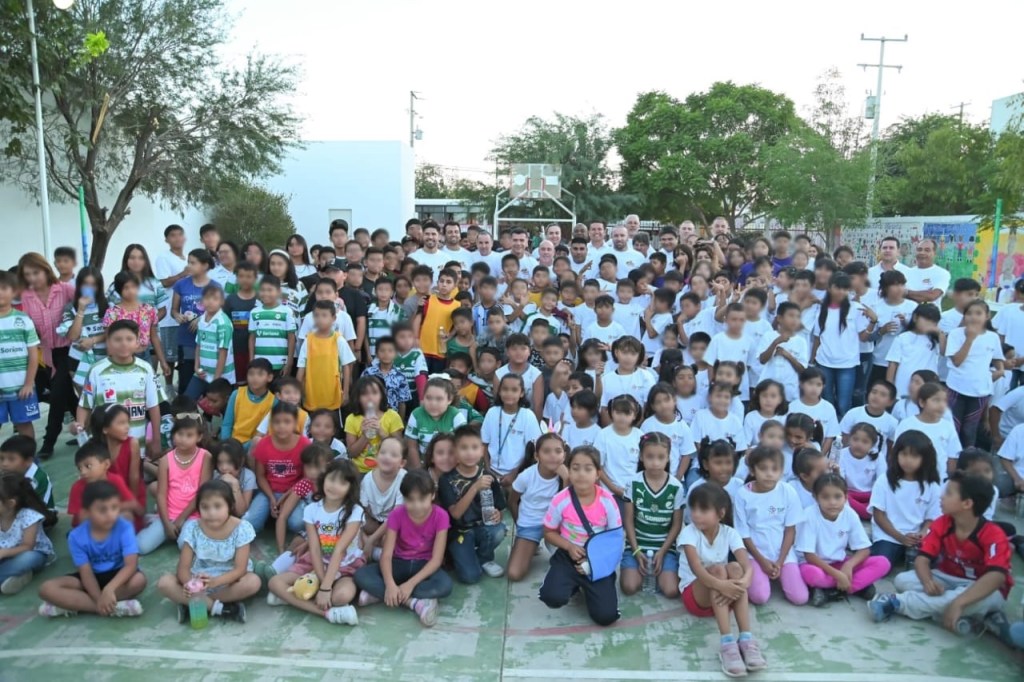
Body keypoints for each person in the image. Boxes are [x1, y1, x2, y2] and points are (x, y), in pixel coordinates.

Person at [869, 471, 1012, 636]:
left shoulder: (993, 534)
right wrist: (928, 580)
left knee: (979, 598)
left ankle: (896, 603)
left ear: (966, 503)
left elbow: (997, 577)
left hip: (984, 587)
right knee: (903, 580)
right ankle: (975, 616)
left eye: (949, 493)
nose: (942, 496)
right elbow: (922, 559)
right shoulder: (943, 523)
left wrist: (959, 602)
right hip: (948, 579)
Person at [678, 482, 765, 677]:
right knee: (717, 569)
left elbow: (746, 566)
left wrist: (744, 582)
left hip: (724, 597)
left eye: (704, 509)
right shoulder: (688, 533)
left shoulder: (730, 533)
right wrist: (723, 585)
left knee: (735, 568)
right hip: (697, 598)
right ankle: (727, 644)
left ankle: (746, 639)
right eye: (694, 509)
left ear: (721, 513)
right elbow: (698, 570)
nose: (696, 514)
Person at [267, 460, 363, 626]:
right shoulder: (311, 510)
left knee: (341, 597)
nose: (334, 486)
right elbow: (315, 549)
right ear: (323, 479)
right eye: (332, 479)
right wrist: (322, 580)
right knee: (275, 583)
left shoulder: (355, 511)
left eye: (342, 482)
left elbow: (340, 550)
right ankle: (327, 613)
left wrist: (325, 588)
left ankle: (295, 597)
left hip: (346, 565)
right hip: (316, 564)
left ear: (350, 488)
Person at [353, 469, 453, 627]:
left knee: (445, 586)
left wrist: (410, 584)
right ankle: (414, 603)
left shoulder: (441, 516)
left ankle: (381, 595)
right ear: (403, 498)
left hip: (424, 565)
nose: (416, 505)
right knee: (361, 575)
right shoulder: (397, 514)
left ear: (432, 496)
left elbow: (436, 560)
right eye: (410, 500)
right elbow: (386, 555)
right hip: (398, 562)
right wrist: (391, 584)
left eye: (422, 499)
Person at [38, 480, 147, 618]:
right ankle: (113, 608)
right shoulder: (76, 536)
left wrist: (109, 589)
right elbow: (86, 573)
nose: (110, 514)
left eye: (114, 507)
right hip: (89, 580)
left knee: (139, 580)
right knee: (47, 589)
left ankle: (75, 605)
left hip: (118, 577)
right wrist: (98, 599)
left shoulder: (124, 527)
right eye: (102, 510)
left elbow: (131, 565)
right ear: (86, 513)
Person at [538, 445, 621, 626]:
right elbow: (548, 532)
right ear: (569, 471)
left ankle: (595, 585)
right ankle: (573, 584)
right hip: (569, 554)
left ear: (598, 473)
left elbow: (615, 541)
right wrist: (568, 546)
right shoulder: (560, 499)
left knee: (606, 617)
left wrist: (593, 564)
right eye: (575, 468)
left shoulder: (607, 501)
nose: (581, 474)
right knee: (552, 597)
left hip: (598, 558)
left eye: (588, 468)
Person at [157, 480, 259, 624]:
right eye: (205, 507)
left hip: (228, 581)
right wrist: (189, 584)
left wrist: (214, 582)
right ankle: (221, 609)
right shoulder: (193, 527)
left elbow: (240, 569)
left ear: (229, 506)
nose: (211, 513)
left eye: (217, 506)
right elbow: (183, 567)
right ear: (198, 509)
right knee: (164, 583)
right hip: (199, 580)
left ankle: (193, 604)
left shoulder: (241, 528)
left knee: (253, 582)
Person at [798, 473, 890, 607]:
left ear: (846, 497)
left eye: (837, 496)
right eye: (825, 497)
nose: (832, 502)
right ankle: (856, 587)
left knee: (882, 563)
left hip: (840, 562)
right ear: (815, 498)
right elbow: (809, 556)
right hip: (817, 564)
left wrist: (849, 566)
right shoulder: (809, 515)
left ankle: (832, 591)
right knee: (811, 574)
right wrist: (838, 575)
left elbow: (864, 549)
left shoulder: (850, 514)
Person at [73, 320, 162, 457]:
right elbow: (85, 405)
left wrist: (156, 439)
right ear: (108, 342)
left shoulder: (146, 369)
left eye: (129, 339)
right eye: (118, 339)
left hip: (138, 447)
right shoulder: (97, 370)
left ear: (137, 342)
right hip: (104, 449)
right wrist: (79, 426)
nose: (124, 344)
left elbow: (154, 406)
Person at [734, 446, 808, 606]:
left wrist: (780, 561)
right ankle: (756, 573)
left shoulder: (788, 491)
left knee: (800, 598)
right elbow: (743, 534)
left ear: (781, 471)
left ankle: (779, 572)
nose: (769, 473)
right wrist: (762, 561)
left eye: (775, 469)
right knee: (760, 597)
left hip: (783, 553)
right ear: (752, 471)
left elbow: (790, 530)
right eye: (763, 468)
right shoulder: (742, 495)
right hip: (755, 554)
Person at [17, 254, 72, 455]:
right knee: (68, 396)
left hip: (70, 350)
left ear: (46, 269)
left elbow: (86, 308)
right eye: (28, 274)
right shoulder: (26, 296)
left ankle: (49, 442)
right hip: (47, 353)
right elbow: (29, 326)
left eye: (36, 272)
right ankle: (88, 434)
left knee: (57, 394)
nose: (33, 277)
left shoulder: (64, 289)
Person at [438, 425, 507, 584]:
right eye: (463, 448)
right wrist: (475, 487)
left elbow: (499, 508)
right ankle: (461, 556)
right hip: (459, 532)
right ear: (455, 451)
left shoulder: (488, 476)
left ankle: (484, 558)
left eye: (475, 447)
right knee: (471, 577)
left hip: (482, 527)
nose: (469, 453)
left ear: (482, 450)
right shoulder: (447, 479)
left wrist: (498, 514)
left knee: (499, 529)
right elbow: (455, 514)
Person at [621, 433, 684, 598]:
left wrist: (662, 552)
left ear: (668, 458)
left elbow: (676, 525)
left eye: (661, 457)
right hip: (637, 545)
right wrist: (636, 550)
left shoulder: (676, 487)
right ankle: (641, 569)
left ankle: (658, 570)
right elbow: (628, 520)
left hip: (664, 547)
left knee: (671, 591)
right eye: (650, 457)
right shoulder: (633, 483)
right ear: (641, 457)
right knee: (628, 587)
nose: (655, 462)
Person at [136, 417, 211, 554]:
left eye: (189, 435)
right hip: (168, 514)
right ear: (173, 435)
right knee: (141, 547)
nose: (183, 439)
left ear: (199, 437)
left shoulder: (205, 457)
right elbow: (161, 494)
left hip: (192, 515)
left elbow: (202, 493)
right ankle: (157, 522)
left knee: (184, 545)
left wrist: (181, 519)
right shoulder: (166, 460)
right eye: (180, 434)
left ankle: (175, 530)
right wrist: (166, 524)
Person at [811, 272, 876, 418]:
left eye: (845, 288)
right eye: (837, 287)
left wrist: (872, 322)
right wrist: (812, 359)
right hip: (824, 362)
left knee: (843, 404)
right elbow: (817, 337)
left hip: (847, 364)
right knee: (827, 401)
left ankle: (843, 435)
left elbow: (863, 337)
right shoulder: (822, 308)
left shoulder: (856, 308)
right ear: (830, 288)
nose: (841, 292)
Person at [945, 299, 1005, 448]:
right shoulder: (955, 334)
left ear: (987, 316)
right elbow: (957, 361)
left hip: (979, 390)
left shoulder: (992, 337)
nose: (973, 317)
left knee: (969, 430)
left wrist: (1001, 370)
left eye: (978, 313)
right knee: (953, 427)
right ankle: (950, 460)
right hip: (956, 387)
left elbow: (997, 358)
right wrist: (969, 339)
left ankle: (966, 462)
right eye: (969, 313)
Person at [246, 402, 311, 532]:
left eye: (287, 422)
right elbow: (260, 475)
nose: (281, 426)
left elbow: (307, 478)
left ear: (295, 423)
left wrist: (286, 498)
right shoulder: (264, 443)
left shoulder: (304, 443)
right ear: (271, 423)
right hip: (268, 491)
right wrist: (271, 498)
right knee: (250, 523)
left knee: (297, 523)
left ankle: (278, 516)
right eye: (277, 422)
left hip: (295, 493)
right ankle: (269, 514)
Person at [0, 473, 55, 595]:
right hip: (5, 556)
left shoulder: (28, 516)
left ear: (10, 503)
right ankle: (17, 577)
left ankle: (9, 574)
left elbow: (28, 546)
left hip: (32, 553)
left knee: (29, 558)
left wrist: (4, 552)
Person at [297, 300, 356, 412]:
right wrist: (298, 392)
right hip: (312, 394)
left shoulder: (338, 339)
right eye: (317, 316)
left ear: (333, 318)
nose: (320, 319)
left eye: (324, 315)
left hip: (333, 394)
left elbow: (346, 366)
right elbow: (301, 368)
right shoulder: (308, 340)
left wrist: (346, 392)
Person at [481, 374, 542, 483]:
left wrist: (515, 473)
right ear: (499, 391)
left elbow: (533, 450)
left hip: (519, 474)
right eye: (505, 389)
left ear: (522, 393)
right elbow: (484, 444)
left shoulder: (528, 415)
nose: (509, 393)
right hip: (492, 472)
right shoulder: (492, 413)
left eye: (514, 390)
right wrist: (487, 469)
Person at [344, 375, 405, 473]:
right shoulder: (352, 419)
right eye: (364, 394)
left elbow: (399, 448)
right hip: (360, 471)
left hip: (387, 470)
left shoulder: (392, 416)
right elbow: (351, 453)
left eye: (375, 393)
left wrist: (380, 431)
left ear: (382, 395)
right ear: (358, 397)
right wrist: (365, 436)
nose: (370, 397)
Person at [248, 274, 297, 377]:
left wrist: (289, 362)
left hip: (280, 364)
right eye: (262, 290)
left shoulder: (287, 312)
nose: (265, 293)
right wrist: (251, 359)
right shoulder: (254, 312)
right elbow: (252, 338)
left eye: (270, 290)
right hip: (259, 364)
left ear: (278, 292)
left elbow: (291, 338)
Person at [0, 435, 54, 516]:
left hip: (42, 517)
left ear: (28, 461)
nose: (4, 464)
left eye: (11, 459)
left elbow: (30, 508)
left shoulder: (36, 480)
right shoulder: (10, 472)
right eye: (1, 458)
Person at [904, 239, 951, 307]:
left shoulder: (942, 273)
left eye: (927, 250)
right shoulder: (906, 272)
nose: (922, 252)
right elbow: (896, 295)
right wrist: (925, 293)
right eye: (919, 249)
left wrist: (906, 293)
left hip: (931, 316)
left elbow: (932, 296)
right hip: (908, 315)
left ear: (934, 253)